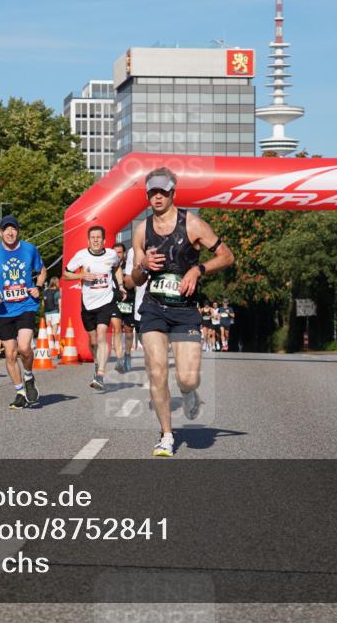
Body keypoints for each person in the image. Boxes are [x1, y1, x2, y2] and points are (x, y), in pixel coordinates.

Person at [129, 167, 235, 457]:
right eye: (153, 192)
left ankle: (189, 393)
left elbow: (227, 256)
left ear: (173, 193)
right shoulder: (142, 230)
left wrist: (197, 269)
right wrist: (142, 267)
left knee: (187, 378)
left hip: (185, 309)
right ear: (147, 195)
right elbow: (133, 281)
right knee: (157, 371)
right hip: (153, 308)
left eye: (163, 191)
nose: (158, 197)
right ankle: (166, 434)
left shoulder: (193, 224)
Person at [0, 215, 46, 408]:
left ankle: (28, 376)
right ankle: (20, 392)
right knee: (9, 354)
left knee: (24, 348)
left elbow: (42, 271)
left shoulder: (29, 250)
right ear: (0, 232)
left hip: (26, 306)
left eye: (13, 229)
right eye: (6, 229)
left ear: (18, 231)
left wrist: (38, 286)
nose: (10, 232)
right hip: (4, 310)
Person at [64, 225, 123, 390]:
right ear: (88, 240)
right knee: (93, 340)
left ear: (104, 240)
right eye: (93, 237)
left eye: (99, 237)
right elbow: (66, 274)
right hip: (88, 304)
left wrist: (120, 285)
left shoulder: (111, 254)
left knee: (103, 333)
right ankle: (97, 363)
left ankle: (101, 374)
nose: (96, 240)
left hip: (106, 301)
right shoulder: (81, 255)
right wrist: (81, 275)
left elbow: (117, 267)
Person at [113, 243, 136, 373]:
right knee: (116, 330)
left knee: (128, 331)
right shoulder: (109, 265)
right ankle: (119, 359)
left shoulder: (129, 265)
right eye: (115, 252)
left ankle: (127, 354)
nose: (117, 255)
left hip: (128, 301)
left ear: (124, 254)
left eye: (120, 252)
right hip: (114, 301)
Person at [43, 277, 61, 343]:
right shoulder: (57, 292)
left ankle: (48, 344)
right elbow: (60, 304)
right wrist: (61, 314)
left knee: (48, 329)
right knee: (54, 330)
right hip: (55, 312)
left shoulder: (45, 291)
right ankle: (54, 346)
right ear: (57, 282)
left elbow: (43, 304)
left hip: (47, 313)